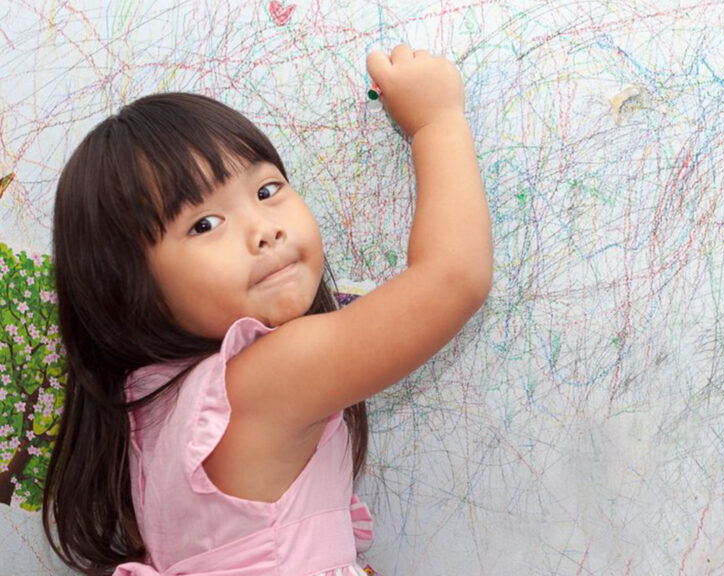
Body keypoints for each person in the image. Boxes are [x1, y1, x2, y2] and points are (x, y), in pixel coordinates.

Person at [41, 44, 492, 576]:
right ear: (128, 289)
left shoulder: (148, 403)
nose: (264, 229)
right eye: (205, 224)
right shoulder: (264, 380)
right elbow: (455, 277)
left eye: (267, 188)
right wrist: (436, 120)